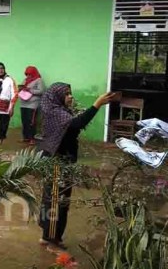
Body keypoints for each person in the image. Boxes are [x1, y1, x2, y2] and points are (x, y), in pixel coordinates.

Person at [38, 83, 116, 251]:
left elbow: (75, 124)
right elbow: (77, 124)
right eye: (66, 94)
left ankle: (49, 237)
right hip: (56, 162)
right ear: (58, 97)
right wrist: (97, 104)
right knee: (56, 202)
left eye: (70, 93)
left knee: (60, 200)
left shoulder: (62, 112)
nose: (70, 96)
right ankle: (52, 241)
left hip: (63, 161)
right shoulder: (55, 113)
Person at [19, 66, 45, 145]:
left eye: (30, 74)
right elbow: (22, 87)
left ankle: (32, 138)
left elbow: (41, 91)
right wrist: (21, 88)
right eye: (27, 74)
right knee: (24, 121)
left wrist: (30, 90)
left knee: (31, 121)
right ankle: (25, 137)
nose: (28, 76)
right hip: (23, 103)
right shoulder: (25, 80)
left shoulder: (38, 80)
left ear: (34, 73)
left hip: (32, 104)